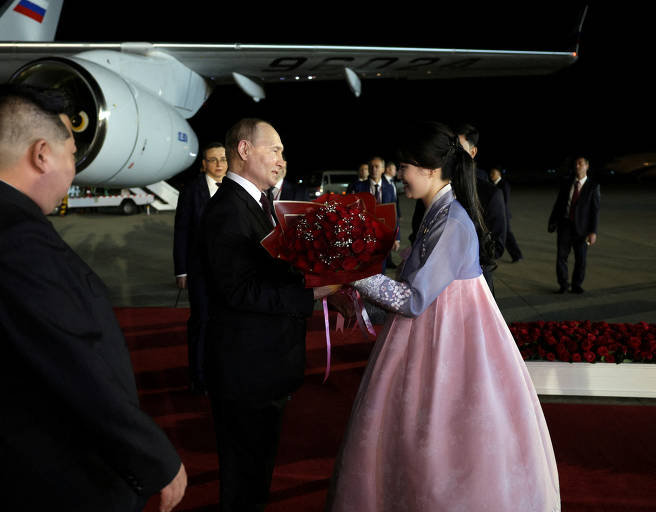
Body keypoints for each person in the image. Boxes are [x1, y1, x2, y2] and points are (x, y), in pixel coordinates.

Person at [0, 84, 186, 512]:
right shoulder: (15, 238)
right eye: (71, 155)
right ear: (42, 154)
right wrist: (154, 457)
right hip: (41, 483)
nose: (72, 172)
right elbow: (73, 364)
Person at [327, 121, 559, 512]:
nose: (399, 176)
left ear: (430, 169)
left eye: (405, 167)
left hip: (447, 335)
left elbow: (413, 299)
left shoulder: (450, 221)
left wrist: (353, 271)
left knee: (439, 431)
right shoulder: (439, 211)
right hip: (439, 328)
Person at [199, 118, 338, 511]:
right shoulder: (228, 210)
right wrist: (312, 293)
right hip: (247, 371)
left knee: (257, 473)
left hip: (264, 367)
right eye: (274, 149)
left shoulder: (257, 204)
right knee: (244, 479)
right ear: (244, 150)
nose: (281, 159)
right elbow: (239, 290)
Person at [409, 124, 507, 295]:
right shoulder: (431, 190)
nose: (452, 155)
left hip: (473, 287)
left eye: (458, 149)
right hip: (430, 285)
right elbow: (417, 231)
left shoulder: (491, 194)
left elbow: (497, 247)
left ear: (473, 152)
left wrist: (455, 263)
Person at [173, 141, 227, 393]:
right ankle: (199, 377)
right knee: (202, 323)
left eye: (223, 159)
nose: (219, 165)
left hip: (231, 273)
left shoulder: (235, 188)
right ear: (204, 164)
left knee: (227, 325)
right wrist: (181, 270)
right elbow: (182, 231)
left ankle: (223, 373)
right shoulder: (191, 191)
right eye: (213, 160)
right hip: (200, 272)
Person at [548, 155, 600, 294]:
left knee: (580, 259)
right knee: (561, 257)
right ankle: (563, 285)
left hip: (582, 229)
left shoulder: (593, 187)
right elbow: (558, 204)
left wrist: (593, 231)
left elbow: (595, 211)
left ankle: (577, 284)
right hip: (565, 226)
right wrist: (552, 221)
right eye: (576, 163)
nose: (577, 166)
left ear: (587, 166)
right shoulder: (567, 183)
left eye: (581, 163)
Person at [490, 166, 524, 262]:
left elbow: (505, 201)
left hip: (503, 215)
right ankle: (516, 255)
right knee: (504, 236)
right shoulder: (493, 184)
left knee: (507, 236)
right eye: (491, 173)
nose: (491, 175)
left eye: (493, 173)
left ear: (499, 174)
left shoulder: (504, 184)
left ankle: (517, 255)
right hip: (498, 215)